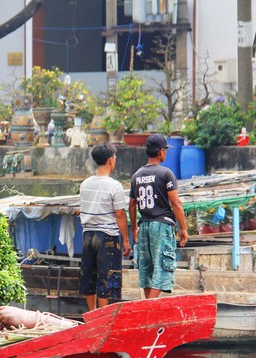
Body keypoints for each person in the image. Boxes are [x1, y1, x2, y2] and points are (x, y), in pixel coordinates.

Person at [128, 133, 188, 299]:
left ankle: (148, 309)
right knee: (162, 271)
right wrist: (183, 228)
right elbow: (176, 203)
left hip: (144, 226)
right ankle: (148, 307)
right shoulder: (166, 173)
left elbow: (132, 205)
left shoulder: (137, 176)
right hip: (161, 226)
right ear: (161, 152)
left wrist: (134, 228)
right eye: (165, 150)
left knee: (147, 271)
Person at [79, 144, 131, 311]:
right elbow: (120, 214)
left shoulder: (85, 184)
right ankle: (103, 316)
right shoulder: (114, 185)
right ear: (111, 160)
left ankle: (91, 313)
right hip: (107, 236)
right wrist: (126, 240)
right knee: (107, 277)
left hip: (87, 235)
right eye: (114, 158)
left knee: (89, 276)